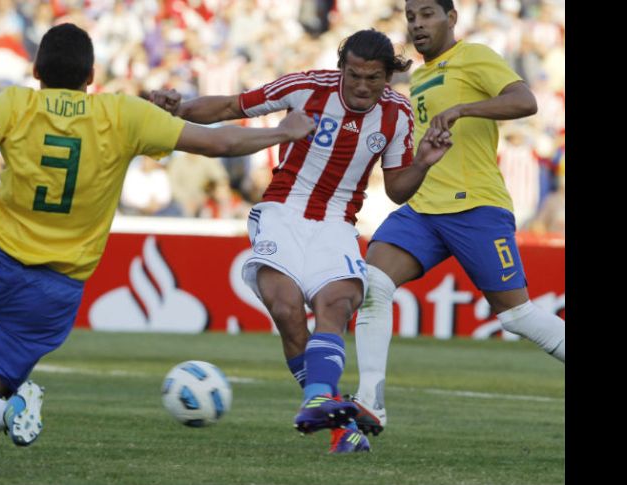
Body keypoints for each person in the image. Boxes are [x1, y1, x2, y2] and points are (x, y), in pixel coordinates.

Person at [0, 23, 315, 448]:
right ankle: (7, 410)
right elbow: (219, 144)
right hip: (50, 294)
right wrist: (282, 132)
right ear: (91, 76)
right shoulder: (124, 114)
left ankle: (9, 408)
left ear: (36, 70)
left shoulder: (16, 105)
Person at [151, 29, 452, 453]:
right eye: (355, 76)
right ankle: (332, 413)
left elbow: (399, 190)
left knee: (337, 304)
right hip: (282, 213)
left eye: (374, 78)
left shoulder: (398, 114)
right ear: (341, 67)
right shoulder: (306, 87)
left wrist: (422, 162)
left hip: (338, 224)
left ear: (389, 76)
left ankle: (326, 409)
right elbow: (229, 106)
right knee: (287, 309)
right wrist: (176, 108)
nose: (363, 86)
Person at [347, 0, 566, 440]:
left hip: (475, 207)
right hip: (425, 210)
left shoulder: (475, 56)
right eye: (411, 17)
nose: (417, 24)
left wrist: (464, 109)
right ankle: (369, 404)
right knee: (372, 284)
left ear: (451, 18)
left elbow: (525, 101)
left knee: (517, 315)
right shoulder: (422, 75)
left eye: (427, 14)